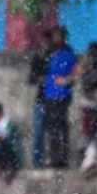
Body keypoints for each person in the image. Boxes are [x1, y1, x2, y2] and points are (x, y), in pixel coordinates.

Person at [43, 26, 81, 168]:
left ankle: (63, 159)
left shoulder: (69, 53)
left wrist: (67, 80)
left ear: (64, 37)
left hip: (62, 95)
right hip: (50, 95)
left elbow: (79, 69)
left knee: (61, 127)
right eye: (55, 36)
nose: (56, 38)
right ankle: (54, 158)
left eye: (59, 36)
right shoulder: (52, 53)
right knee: (52, 128)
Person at [27, 29, 54, 167]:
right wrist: (41, 79)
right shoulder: (38, 57)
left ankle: (53, 160)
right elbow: (31, 78)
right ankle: (38, 162)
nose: (47, 44)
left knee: (53, 133)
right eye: (45, 41)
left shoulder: (57, 57)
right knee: (38, 133)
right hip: (42, 100)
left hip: (56, 101)